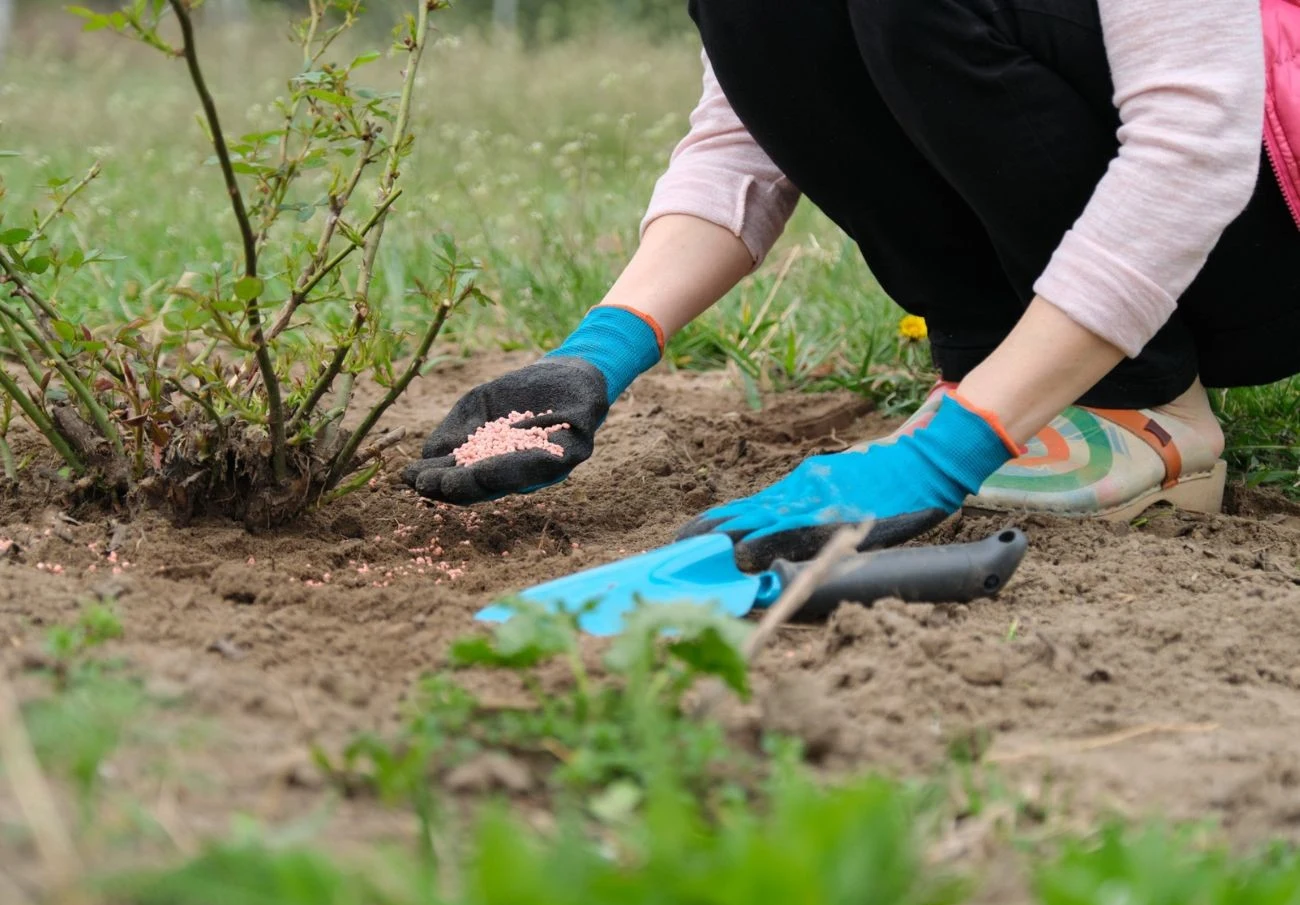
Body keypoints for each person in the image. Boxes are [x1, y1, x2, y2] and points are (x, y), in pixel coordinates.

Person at [405, 0, 1300, 571]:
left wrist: (943, 454)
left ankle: (1143, 403)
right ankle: (1001, 372)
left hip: (1254, 226)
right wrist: (595, 355)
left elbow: (1195, 141)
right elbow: (748, 135)